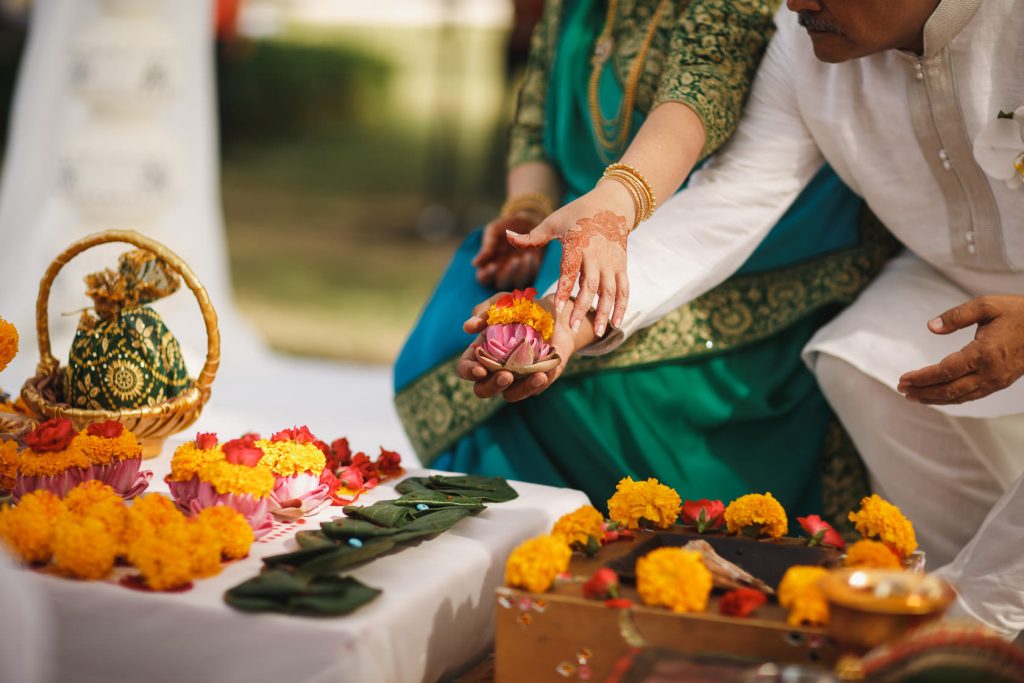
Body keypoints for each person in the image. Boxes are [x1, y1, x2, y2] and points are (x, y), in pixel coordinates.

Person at [469, 0, 1022, 638]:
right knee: (863, 361)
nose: (791, 1)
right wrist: (568, 313)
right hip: (948, 283)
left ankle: (966, 630)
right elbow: (729, 204)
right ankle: (946, 616)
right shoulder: (803, 46)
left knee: (978, 611)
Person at [396, 0, 897, 519]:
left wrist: (613, 209)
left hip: (731, 242)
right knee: (460, 333)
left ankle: (627, 548)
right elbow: (533, 121)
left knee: (584, 385)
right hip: (577, 225)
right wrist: (528, 211)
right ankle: (520, 553)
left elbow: (701, 89)